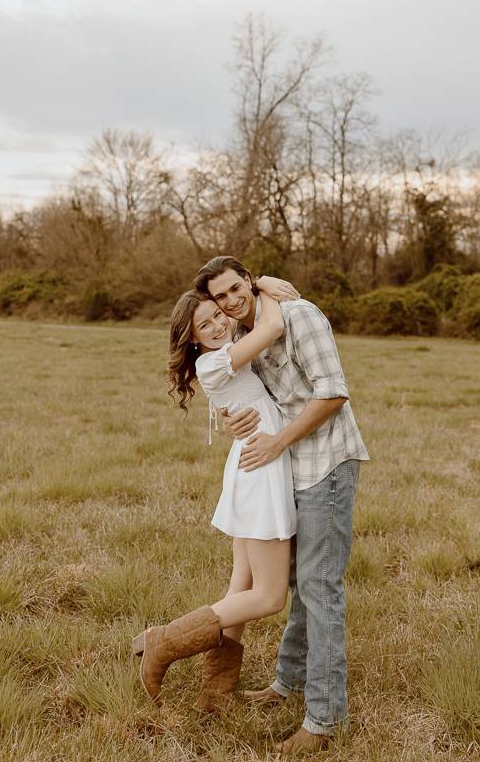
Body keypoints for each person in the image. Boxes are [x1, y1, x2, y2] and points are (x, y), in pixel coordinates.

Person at [194, 257, 370, 754]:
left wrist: (275, 442)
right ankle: (287, 683)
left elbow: (333, 392)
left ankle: (324, 719)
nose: (231, 302)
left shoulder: (300, 315)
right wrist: (232, 421)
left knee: (319, 586)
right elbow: (240, 391)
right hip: (285, 466)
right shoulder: (244, 334)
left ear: (248, 280)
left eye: (236, 289)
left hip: (326, 463)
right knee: (297, 581)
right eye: (221, 297)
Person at [132, 280, 298, 711]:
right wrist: (260, 286)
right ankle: (162, 642)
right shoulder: (214, 363)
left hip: (256, 463)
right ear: (191, 337)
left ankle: (215, 693)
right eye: (204, 324)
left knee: (241, 584)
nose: (217, 324)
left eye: (218, 315)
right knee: (269, 596)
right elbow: (274, 325)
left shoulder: (225, 351)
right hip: (259, 469)